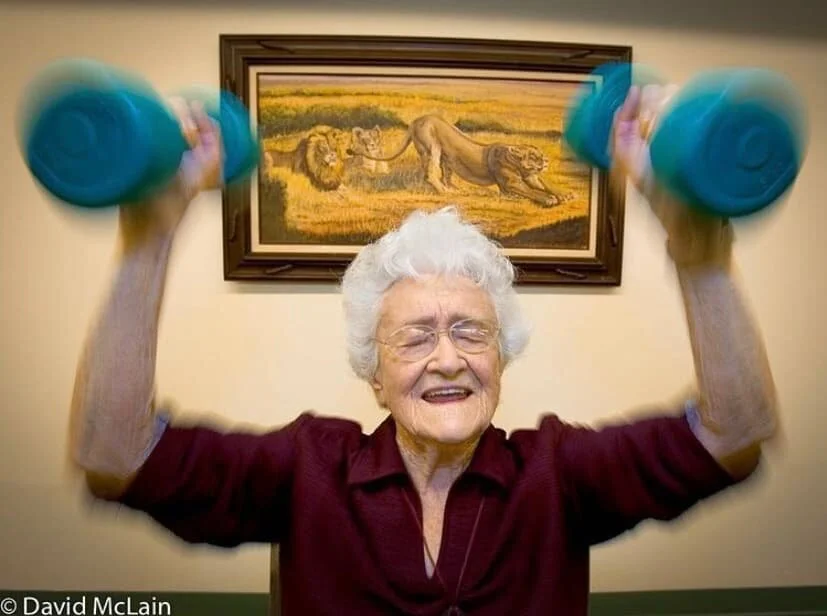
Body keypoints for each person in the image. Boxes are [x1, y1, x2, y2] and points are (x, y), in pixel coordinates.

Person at [67, 88, 778, 615]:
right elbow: (114, 454)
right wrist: (147, 238)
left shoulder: (557, 473)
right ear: (374, 374)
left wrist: (699, 250)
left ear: (501, 357)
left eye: (471, 332)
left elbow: (734, 433)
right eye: (414, 337)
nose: (446, 358)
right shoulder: (309, 467)